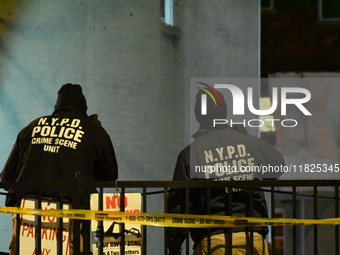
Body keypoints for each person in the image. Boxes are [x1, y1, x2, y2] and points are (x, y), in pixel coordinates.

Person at [1, 83, 118, 255]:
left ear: (56, 107)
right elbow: (110, 176)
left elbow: (5, 180)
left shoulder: (32, 127)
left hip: (26, 215)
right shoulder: (93, 131)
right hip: (72, 217)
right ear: (83, 109)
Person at [167, 87, 285, 255]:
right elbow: (278, 166)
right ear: (224, 112)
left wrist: (174, 246)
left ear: (198, 115)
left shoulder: (192, 152)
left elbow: (179, 204)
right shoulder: (249, 143)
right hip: (252, 237)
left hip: (214, 241)